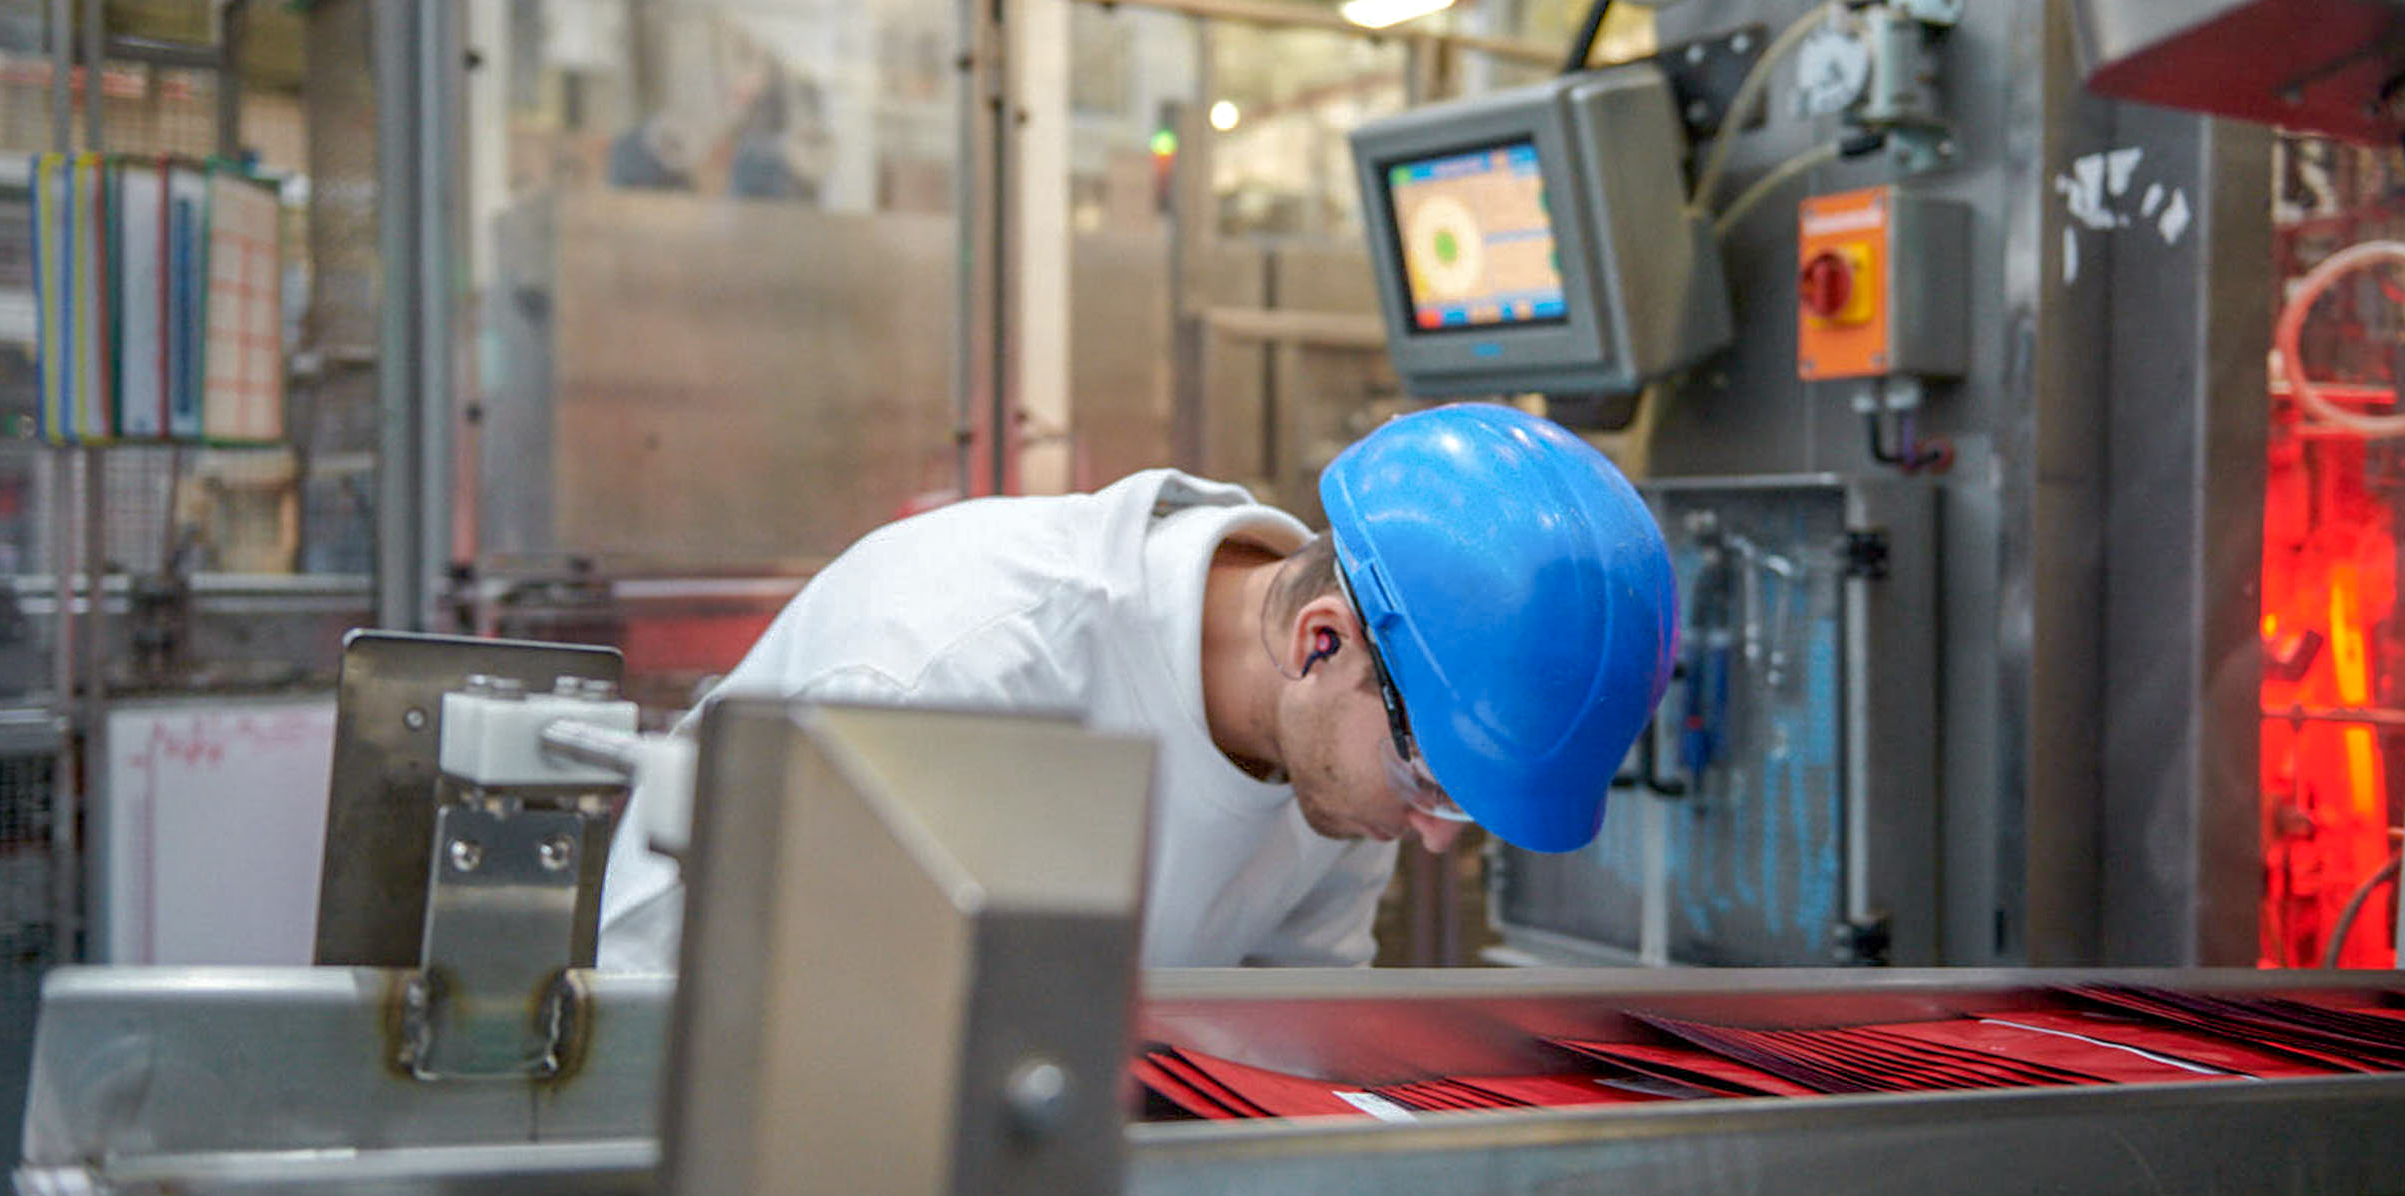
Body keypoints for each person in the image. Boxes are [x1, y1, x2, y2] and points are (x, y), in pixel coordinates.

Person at [597, 402, 1676, 969]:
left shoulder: (1342, 778)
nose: (1437, 837)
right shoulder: (948, 670)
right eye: (1435, 783)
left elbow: (1279, 1055)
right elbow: (738, 1050)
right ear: (1319, 642)